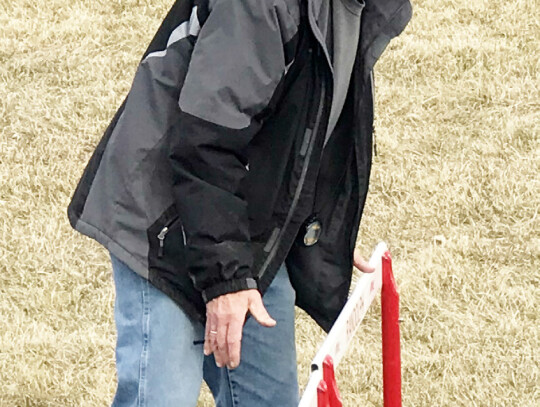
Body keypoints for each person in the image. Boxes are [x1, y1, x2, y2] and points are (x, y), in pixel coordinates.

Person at [67, 0, 412, 405]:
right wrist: (226, 280)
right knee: (161, 398)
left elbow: (303, 121)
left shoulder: (361, 7)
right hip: (160, 222)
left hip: (243, 222)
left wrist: (314, 218)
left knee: (269, 399)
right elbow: (204, 143)